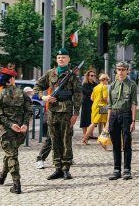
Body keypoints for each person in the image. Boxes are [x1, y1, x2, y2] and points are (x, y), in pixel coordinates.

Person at [33, 48, 82, 180]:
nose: (61, 59)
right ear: (57, 59)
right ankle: (57, 168)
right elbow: (37, 87)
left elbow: (78, 95)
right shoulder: (50, 73)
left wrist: (76, 113)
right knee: (54, 140)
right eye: (59, 57)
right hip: (52, 111)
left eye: (64, 57)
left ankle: (66, 169)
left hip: (67, 111)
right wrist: (43, 98)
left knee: (66, 140)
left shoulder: (73, 75)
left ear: (68, 59)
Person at [0, 67, 32, 194]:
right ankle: (2, 176)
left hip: (8, 130)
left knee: (11, 155)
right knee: (11, 153)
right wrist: (25, 124)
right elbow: (29, 110)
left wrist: (10, 125)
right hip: (21, 130)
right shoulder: (22, 93)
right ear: (11, 79)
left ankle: (16, 184)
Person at [106, 61, 138, 180]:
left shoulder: (132, 85)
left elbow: (134, 103)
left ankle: (127, 169)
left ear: (127, 71)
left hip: (126, 115)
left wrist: (133, 121)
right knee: (115, 144)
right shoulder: (112, 85)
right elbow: (110, 105)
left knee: (126, 143)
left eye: (123, 69)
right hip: (114, 115)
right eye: (119, 69)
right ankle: (116, 169)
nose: (121, 72)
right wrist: (108, 122)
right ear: (116, 71)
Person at [82, 73, 109, 145]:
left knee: (93, 123)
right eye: (107, 80)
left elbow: (92, 98)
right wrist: (110, 103)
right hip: (102, 106)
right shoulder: (104, 87)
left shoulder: (96, 87)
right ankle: (104, 141)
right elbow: (105, 98)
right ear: (105, 80)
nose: (107, 82)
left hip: (94, 106)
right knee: (106, 123)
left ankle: (85, 138)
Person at [36, 87, 53, 169]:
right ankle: (40, 159)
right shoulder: (50, 77)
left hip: (66, 114)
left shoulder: (70, 78)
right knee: (50, 138)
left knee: (66, 138)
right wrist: (43, 97)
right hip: (51, 113)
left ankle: (67, 158)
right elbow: (37, 88)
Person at [79, 70, 98, 140]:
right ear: (88, 76)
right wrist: (93, 94)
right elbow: (87, 92)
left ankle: (91, 134)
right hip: (86, 103)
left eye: (94, 75)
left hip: (93, 103)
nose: (93, 77)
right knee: (85, 118)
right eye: (91, 75)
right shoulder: (85, 84)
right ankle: (85, 135)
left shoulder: (95, 84)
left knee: (92, 118)